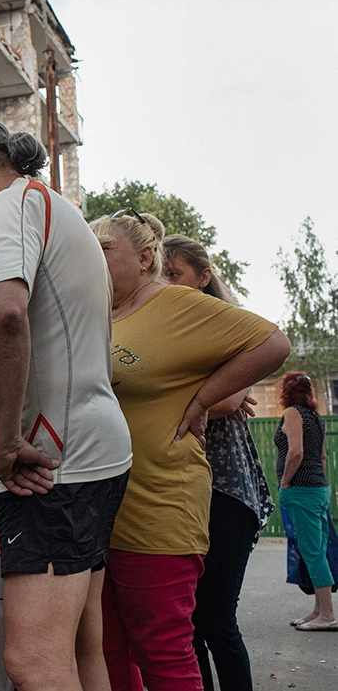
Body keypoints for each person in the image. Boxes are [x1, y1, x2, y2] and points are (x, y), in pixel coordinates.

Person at [0, 116, 133, 691]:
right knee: (82, 648)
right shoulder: (50, 205)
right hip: (91, 453)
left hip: (54, 467)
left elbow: (8, 314)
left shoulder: (9, 208)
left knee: (34, 662)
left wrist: (6, 443)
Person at [89, 211, 289, 690]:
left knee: (163, 650)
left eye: (104, 248)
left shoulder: (177, 304)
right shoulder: (99, 312)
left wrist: (201, 399)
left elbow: (272, 343)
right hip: (97, 511)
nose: (91, 256)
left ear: (143, 257)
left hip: (158, 506)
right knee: (110, 649)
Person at [163, 234, 275, 690]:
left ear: (204, 276)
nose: (167, 285)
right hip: (184, 490)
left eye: (176, 275)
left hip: (226, 492)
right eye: (161, 277)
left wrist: (212, 394)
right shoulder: (169, 330)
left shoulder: (225, 329)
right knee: (189, 626)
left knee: (215, 622)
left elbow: (228, 401)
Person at [274, 371, 335, 631]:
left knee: (312, 551)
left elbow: (296, 451)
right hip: (319, 489)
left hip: (301, 490)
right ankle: (319, 610)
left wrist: (285, 481)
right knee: (318, 549)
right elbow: (321, 457)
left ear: (286, 391)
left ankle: (329, 616)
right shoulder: (315, 416)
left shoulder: (292, 413)